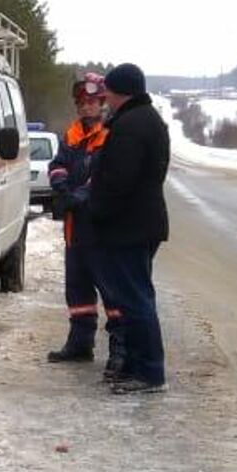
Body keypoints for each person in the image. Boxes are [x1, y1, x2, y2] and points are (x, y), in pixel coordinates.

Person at [83, 63, 170, 395]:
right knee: (134, 297)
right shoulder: (147, 119)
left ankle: (148, 372)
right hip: (140, 223)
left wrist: (98, 210)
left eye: (109, 94)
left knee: (135, 300)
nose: (105, 100)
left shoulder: (131, 126)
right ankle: (136, 366)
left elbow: (119, 181)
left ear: (120, 92)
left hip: (128, 226)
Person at [44, 71, 125, 378]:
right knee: (77, 290)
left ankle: (120, 348)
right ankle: (80, 343)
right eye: (81, 102)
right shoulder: (72, 133)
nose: (85, 107)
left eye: (91, 101)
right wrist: (62, 190)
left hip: (101, 226)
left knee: (113, 292)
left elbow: (104, 175)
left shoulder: (111, 133)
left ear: (102, 102)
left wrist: (80, 196)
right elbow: (58, 165)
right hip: (75, 227)